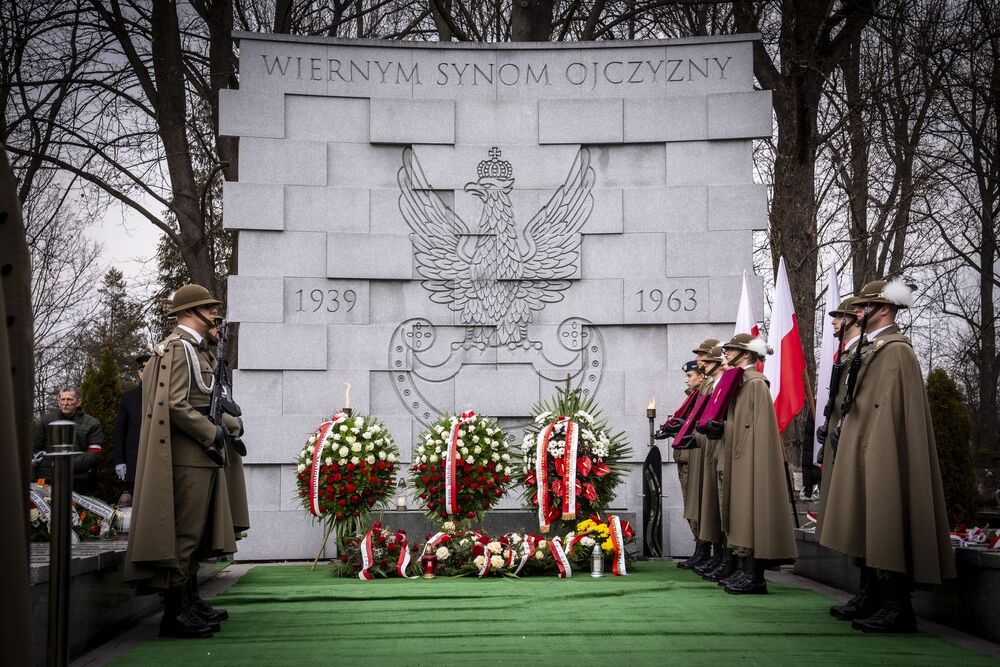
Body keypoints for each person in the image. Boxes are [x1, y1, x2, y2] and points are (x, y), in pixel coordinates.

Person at [820, 280, 954, 633]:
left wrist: (868, 443)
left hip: (880, 450)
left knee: (885, 519)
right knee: (868, 518)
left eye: (865, 307)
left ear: (885, 309)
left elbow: (888, 409)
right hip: (861, 444)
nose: (857, 313)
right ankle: (873, 593)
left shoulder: (895, 351)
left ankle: (897, 605)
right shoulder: (872, 348)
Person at [124, 284, 241, 639]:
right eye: (208, 308)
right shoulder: (176, 350)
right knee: (185, 535)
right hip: (188, 456)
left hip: (201, 457)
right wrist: (211, 433)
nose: (214, 314)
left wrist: (230, 425)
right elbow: (175, 404)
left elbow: (207, 399)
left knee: (196, 533)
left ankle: (189, 602)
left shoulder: (196, 350)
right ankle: (174, 614)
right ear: (190, 312)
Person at [717, 333, 797, 595]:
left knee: (750, 514)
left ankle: (754, 575)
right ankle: (744, 570)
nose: (726, 355)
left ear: (747, 354)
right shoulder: (742, 383)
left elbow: (758, 430)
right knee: (741, 514)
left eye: (732, 351)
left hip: (750, 458)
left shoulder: (755, 384)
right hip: (740, 455)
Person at [677, 338, 719, 570]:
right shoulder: (695, 393)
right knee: (692, 505)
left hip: (698, 453)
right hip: (688, 454)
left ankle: (706, 551)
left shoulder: (708, 389)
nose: (698, 360)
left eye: (702, 356)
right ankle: (701, 550)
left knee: (699, 506)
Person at [31, 387, 103, 495]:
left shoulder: (93, 424)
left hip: (77, 481)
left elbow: (94, 454)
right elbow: (35, 449)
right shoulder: (47, 420)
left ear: (78, 402)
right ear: (58, 402)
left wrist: (66, 465)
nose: (65, 403)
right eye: (62, 399)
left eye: (69, 399)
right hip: (47, 480)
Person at [115, 354, 151, 495]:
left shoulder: (165, 396)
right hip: (134, 461)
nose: (148, 374)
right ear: (139, 374)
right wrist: (119, 460)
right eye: (144, 371)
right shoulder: (128, 398)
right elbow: (120, 431)